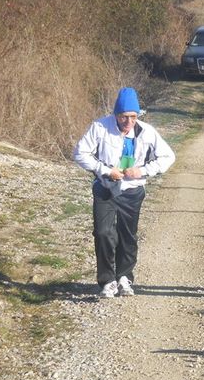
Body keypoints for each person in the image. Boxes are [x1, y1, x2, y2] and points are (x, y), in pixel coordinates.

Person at [73, 87, 175, 298]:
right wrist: (106, 171)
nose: (129, 122)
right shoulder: (100, 127)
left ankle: (124, 278)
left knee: (127, 235)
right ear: (116, 115)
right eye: (124, 117)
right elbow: (80, 153)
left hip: (133, 190)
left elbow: (167, 157)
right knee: (103, 233)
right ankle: (107, 281)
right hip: (105, 188)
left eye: (133, 117)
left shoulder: (146, 131)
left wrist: (142, 171)